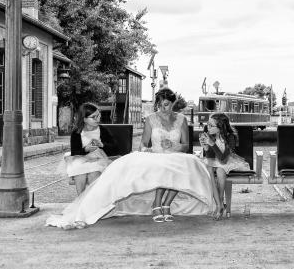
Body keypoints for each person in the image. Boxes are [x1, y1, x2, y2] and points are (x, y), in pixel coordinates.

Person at [46, 88, 218, 229]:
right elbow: (143, 144)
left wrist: (173, 146)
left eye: (166, 105)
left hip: (175, 154)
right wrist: (148, 150)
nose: (162, 108)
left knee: (185, 164)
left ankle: (165, 203)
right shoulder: (151, 119)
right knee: (161, 166)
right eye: (159, 105)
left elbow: (186, 146)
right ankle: (157, 204)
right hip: (156, 155)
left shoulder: (181, 119)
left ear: (173, 103)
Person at [200, 113, 250, 219]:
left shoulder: (230, 137)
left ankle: (221, 201)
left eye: (211, 125)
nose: (207, 127)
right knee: (209, 169)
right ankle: (219, 204)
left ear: (220, 127)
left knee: (220, 170)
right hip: (214, 162)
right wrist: (206, 147)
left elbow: (223, 160)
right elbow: (210, 158)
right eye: (207, 124)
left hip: (228, 161)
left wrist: (212, 144)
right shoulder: (209, 134)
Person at [66, 103, 115, 195]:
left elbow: (114, 148)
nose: (98, 119)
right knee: (79, 172)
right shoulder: (77, 132)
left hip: (99, 159)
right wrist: (86, 149)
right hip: (81, 158)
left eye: (98, 115)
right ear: (84, 119)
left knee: (94, 172)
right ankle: (81, 200)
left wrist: (102, 145)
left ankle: (93, 201)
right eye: (94, 117)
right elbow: (75, 152)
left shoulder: (102, 130)